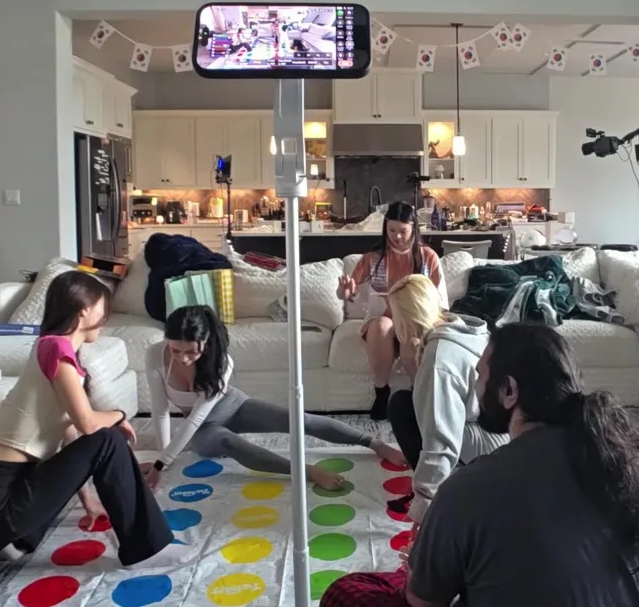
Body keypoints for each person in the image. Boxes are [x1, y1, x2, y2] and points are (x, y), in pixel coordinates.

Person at [321, 323, 639, 607]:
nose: (477, 386)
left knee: (348, 591)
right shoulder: (628, 463)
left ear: (508, 390)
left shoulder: (469, 488)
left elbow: (422, 602)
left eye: (480, 375)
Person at [0, 272, 186, 588]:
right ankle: (144, 549)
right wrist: (120, 414)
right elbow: (87, 423)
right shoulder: (55, 349)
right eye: (103, 309)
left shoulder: (50, 349)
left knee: (103, 439)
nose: (106, 318)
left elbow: (71, 434)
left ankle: (15, 542)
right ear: (84, 310)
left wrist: (88, 501)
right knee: (108, 438)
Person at [143, 305, 406, 491]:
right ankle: (307, 472)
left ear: (207, 343)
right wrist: (163, 460)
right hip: (204, 428)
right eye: (175, 351)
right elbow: (162, 411)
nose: (183, 358)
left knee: (296, 419)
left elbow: (201, 410)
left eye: (191, 352)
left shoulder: (222, 361)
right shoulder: (155, 355)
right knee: (228, 441)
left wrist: (161, 463)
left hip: (233, 405)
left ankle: (374, 443)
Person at [381, 274, 508, 522]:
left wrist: (425, 503)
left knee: (401, 407)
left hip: (487, 450)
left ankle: (449, 494)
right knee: (411, 401)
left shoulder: (439, 358)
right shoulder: (464, 329)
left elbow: (440, 439)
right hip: (501, 437)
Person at [336, 201, 442, 420]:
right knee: (381, 325)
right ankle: (381, 392)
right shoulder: (373, 257)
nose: (397, 237)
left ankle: (418, 395)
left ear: (414, 228)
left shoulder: (428, 257)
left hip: (415, 322)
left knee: (411, 339)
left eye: (403, 231)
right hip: (381, 320)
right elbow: (349, 293)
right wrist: (344, 292)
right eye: (391, 230)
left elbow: (439, 300)